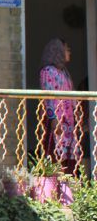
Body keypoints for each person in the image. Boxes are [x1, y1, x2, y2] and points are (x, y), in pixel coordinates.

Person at [39, 37, 81, 174]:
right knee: (55, 153)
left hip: (68, 121)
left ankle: (68, 186)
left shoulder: (64, 72)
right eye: (67, 49)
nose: (69, 52)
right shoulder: (48, 71)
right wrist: (53, 119)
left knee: (69, 157)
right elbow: (48, 99)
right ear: (58, 51)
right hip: (57, 120)